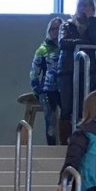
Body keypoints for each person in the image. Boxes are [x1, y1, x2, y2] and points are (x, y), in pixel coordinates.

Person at [56, 0, 96, 144]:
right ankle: (64, 142)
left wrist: (92, 20)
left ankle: (83, 140)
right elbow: (63, 42)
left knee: (85, 105)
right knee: (67, 107)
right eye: (82, 5)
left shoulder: (94, 24)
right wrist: (83, 41)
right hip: (67, 70)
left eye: (88, 5)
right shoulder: (67, 24)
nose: (84, 8)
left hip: (88, 70)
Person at [30, 17, 63, 146]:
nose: (56, 31)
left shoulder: (68, 48)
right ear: (49, 30)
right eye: (53, 29)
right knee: (51, 121)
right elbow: (34, 71)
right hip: (47, 90)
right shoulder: (42, 49)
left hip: (65, 89)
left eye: (59, 28)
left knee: (68, 119)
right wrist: (37, 90)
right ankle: (52, 148)